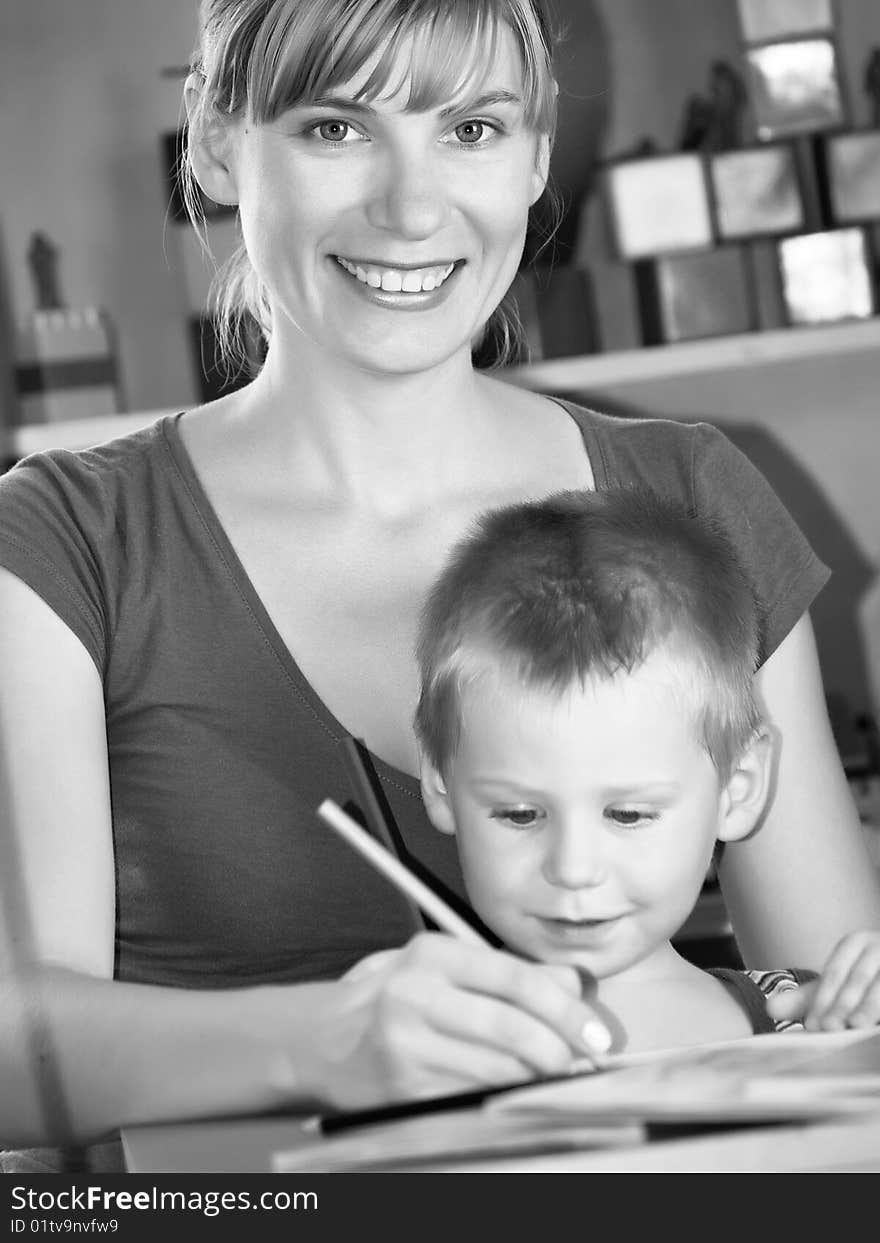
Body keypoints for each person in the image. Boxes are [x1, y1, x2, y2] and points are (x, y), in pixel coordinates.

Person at [0, 0, 878, 1159]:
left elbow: (827, 1028)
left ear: (534, 157)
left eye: (470, 129)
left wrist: (835, 1013)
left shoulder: (697, 495)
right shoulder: (64, 539)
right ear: (216, 143)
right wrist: (323, 1038)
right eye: (335, 127)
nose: (412, 209)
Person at [414, 487, 880, 1052]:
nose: (574, 868)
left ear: (738, 788)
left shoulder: (818, 1022)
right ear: (440, 782)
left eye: (628, 814)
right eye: (519, 814)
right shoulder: (421, 1050)